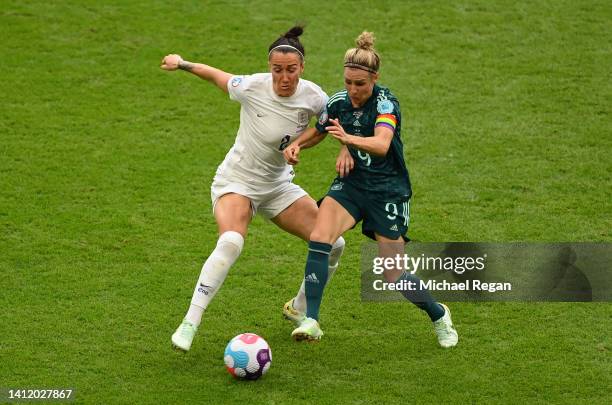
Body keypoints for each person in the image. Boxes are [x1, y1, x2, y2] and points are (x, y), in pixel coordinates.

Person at [160, 26, 346, 352]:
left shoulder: (315, 96)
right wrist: (183, 63)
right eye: (277, 70)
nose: (284, 77)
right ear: (269, 67)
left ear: (301, 68)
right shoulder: (252, 86)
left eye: (291, 70)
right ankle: (190, 322)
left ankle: (299, 308)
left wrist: (301, 145)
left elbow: (327, 127)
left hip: (277, 187)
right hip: (237, 182)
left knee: (334, 243)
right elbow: (217, 76)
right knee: (231, 241)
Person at [281, 32, 458, 348]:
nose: (353, 90)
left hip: (387, 192)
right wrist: (297, 146)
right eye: (348, 82)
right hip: (352, 186)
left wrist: (349, 141)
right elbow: (321, 130)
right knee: (321, 236)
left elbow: (381, 143)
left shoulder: (386, 103)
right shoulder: (339, 101)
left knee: (394, 276)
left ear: (374, 78)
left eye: (360, 84)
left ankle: (438, 313)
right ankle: (311, 319)